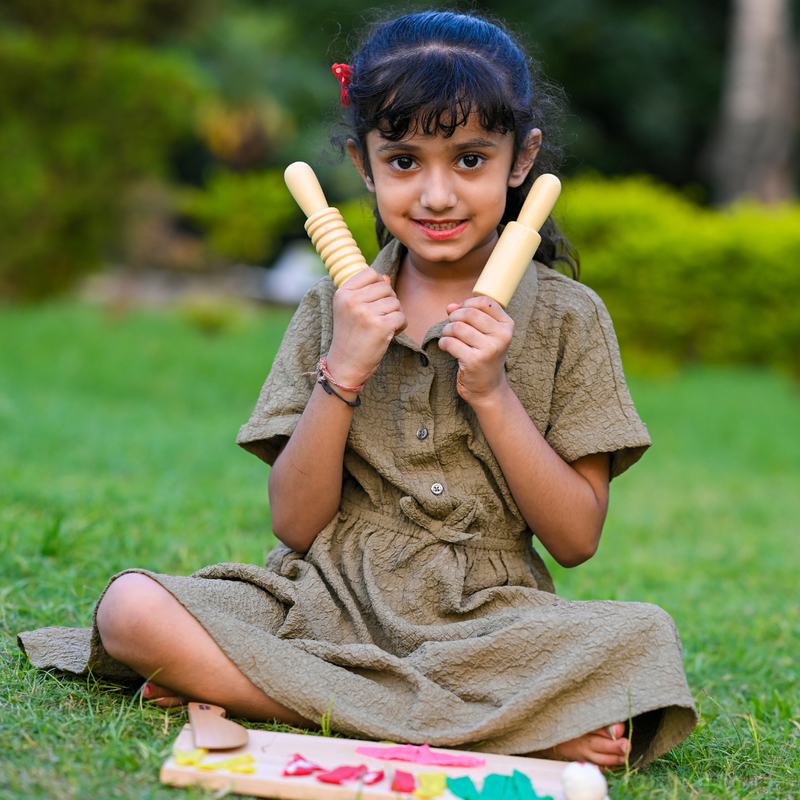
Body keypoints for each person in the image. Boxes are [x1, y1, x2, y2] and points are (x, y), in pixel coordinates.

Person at [18, 10, 697, 769]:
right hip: (323, 600)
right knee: (130, 609)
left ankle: (278, 695)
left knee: (644, 639)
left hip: (488, 622)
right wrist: (342, 371)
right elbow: (296, 526)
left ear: (521, 160)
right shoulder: (327, 309)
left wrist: (493, 394)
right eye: (405, 161)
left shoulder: (574, 318)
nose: (437, 195)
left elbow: (575, 542)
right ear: (363, 164)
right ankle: (485, 728)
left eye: (470, 159)